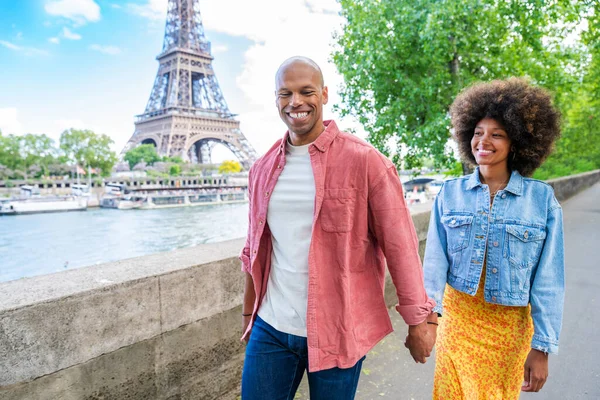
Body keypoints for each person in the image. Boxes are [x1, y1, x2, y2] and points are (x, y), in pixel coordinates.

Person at [239, 56, 436, 400]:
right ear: (276, 99)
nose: (295, 102)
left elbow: (400, 245)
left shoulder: (365, 160)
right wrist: (248, 314)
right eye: (285, 93)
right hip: (270, 327)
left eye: (306, 91)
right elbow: (252, 249)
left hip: (339, 327)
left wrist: (420, 320)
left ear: (325, 94)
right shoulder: (261, 169)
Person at [423, 78, 564, 399]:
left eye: (497, 134)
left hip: (510, 330)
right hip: (458, 323)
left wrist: (541, 347)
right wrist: (427, 321)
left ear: (516, 142)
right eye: (477, 132)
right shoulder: (449, 194)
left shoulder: (541, 201)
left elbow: (549, 282)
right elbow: (433, 265)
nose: (483, 141)